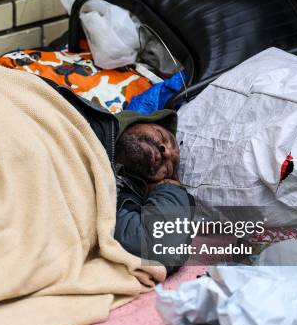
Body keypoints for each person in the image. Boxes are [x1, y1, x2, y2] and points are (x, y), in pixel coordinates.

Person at [46, 80, 195, 272]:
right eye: (162, 136)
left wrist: (170, 190)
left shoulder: (120, 198)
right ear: (136, 121)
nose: (166, 152)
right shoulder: (80, 112)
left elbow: (163, 246)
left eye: (169, 167)